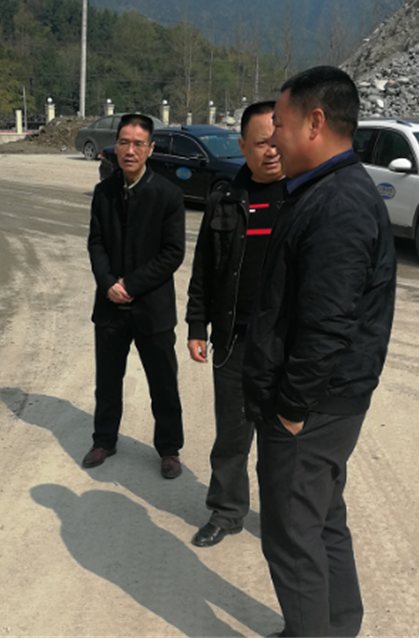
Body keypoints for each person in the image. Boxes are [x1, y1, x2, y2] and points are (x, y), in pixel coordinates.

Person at [243, 67, 396, 638]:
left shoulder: (338, 203)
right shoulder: (327, 189)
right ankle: (335, 626)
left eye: (279, 126)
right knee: (323, 517)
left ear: (315, 122)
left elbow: (327, 325)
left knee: (291, 536)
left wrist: (290, 408)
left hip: (313, 407)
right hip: (328, 403)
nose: (273, 141)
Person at [185, 100, 285, 547]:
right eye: (262, 143)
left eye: (277, 141)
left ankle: (285, 519)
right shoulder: (224, 199)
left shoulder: (303, 198)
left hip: (284, 344)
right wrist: (196, 326)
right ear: (242, 146)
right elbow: (204, 269)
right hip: (233, 340)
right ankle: (226, 511)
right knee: (231, 434)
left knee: (283, 439)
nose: (272, 150)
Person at [84, 113, 186, 478]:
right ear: (116, 145)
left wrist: (131, 285)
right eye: (124, 142)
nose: (130, 150)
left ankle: (169, 449)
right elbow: (96, 243)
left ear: (150, 149)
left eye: (138, 144)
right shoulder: (104, 192)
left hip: (152, 307)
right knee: (108, 381)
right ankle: (104, 440)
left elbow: (173, 253)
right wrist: (108, 283)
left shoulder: (168, 195)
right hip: (110, 305)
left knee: (163, 383)